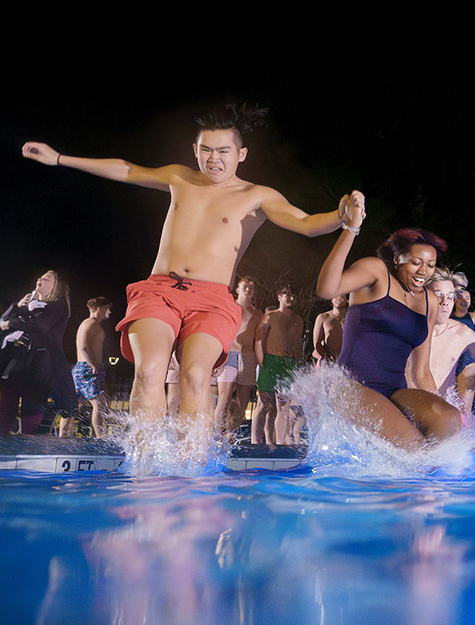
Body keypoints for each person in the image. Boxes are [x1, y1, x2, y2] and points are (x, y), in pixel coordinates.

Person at [21, 104, 353, 457]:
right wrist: (59, 158)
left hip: (212, 300)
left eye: (223, 150)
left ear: (241, 154)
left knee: (196, 375)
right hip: (160, 290)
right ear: (195, 150)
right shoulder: (180, 177)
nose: (213, 159)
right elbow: (128, 169)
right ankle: (144, 466)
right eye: (205, 149)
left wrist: (341, 216)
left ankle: (191, 467)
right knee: (149, 371)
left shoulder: (256, 196)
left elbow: (305, 222)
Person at [315, 195, 461, 449]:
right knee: (413, 446)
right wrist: (351, 228)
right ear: (397, 259)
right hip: (350, 386)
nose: (423, 271)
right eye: (416, 262)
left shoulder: (429, 302)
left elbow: (421, 371)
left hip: (395, 392)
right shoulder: (376, 273)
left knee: (449, 421)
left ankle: (431, 486)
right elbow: (327, 290)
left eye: (430, 265)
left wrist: (446, 414)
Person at [406, 270, 475, 415]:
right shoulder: (406, 328)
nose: (445, 302)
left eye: (450, 297)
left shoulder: (463, 335)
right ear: (424, 295)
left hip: (440, 413)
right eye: (438, 295)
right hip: (406, 407)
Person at [0, 270, 75, 434]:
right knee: (5, 410)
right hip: (15, 362)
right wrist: (17, 306)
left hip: (39, 367)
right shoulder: (27, 308)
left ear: (57, 286)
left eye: (47, 278)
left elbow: (40, 325)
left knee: (31, 414)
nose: (40, 279)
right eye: (40, 277)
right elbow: (1, 322)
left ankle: (29, 451)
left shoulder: (58, 307)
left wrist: (11, 324)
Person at [252, 287, 304, 446]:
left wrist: (297, 366)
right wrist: (263, 364)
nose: (290, 297)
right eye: (287, 294)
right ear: (279, 297)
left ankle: (280, 442)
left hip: (289, 365)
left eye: (293, 295)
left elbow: (298, 344)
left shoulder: (298, 320)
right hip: (271, 362)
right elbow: (259, 341)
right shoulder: (269, 317)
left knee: (283, 407)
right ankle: (255, 442)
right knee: (264, 404)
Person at [216, 276, 263, 436]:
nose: (248, 289)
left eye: (251, 286)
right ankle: (216, 434)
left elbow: (259, 339)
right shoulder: (229, 306)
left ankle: (231, 435)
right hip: (230, 354)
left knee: (243, 401)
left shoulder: (258, 313)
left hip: (248, 357)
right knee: (224, 398)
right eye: (245, 286)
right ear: (237, 289)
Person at [62, 297, 112, 438]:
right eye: (108, 308)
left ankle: (62, 437)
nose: (110, 311)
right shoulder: (89, 323)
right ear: (100, 309)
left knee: (73, 406)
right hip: (87, 369)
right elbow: (83, 346)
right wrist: (93, 365)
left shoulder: (95, 325)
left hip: (87, 369)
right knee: (100, 404)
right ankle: (101, 438)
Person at [449, 271, 475, 411]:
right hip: (451, 360)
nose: (464, 300)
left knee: (465, 405)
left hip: (468, 360)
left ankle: (467, 428)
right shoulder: (448, 318)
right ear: (455, 300)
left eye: (467, 297)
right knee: (450, 401)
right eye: (461, 297)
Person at [312, 294, 348, 366]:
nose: (338, 298)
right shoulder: (323, 318)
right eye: (336, 295)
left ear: (347, 300)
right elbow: (316, 344)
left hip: (348, 363)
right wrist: (326, 359)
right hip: (328, 362)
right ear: (331, 300)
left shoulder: (353, 319)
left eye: (341, 296)